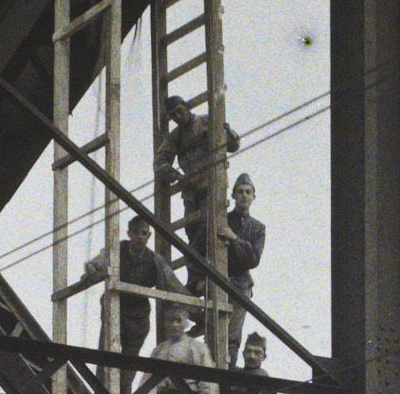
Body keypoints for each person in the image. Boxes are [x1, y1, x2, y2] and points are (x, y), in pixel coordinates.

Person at [155, 95, 240, 320]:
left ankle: (207, 279)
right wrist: (174, 174)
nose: (177, 116)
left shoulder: (206, 122)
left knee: (208, 233)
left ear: (186, 107)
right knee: (193, 235)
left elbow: (234, 145)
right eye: (172, 114)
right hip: (192, 192)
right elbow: (160, 162)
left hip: (212, 188)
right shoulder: (175, 137)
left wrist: (224, 130)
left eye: (179, 110)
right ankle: (196, 282)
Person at [77, 214, 183, 364]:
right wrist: (91, 268)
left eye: (144, 233)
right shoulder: (117, 250)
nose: (140, 237)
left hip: (138, 317)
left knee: (129, 365)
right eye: (136, 232)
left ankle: (124, 387)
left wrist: (196, 309)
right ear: (129, 233)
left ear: (149, 236)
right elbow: (98, 262)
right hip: (115, 309)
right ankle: (102, 386)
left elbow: (173, 284)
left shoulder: (154, 259)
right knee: (106, 358)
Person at [223, 174, 267, 364]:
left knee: (232, 338)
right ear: (233, 195)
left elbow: (253, 260)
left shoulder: (257, 228)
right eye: (240, 192)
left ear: (253, 197)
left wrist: (234, 239)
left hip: (240, 286)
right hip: (218, 280)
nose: (244, 196)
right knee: (214, 334)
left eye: (248, 192)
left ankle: (228, 379)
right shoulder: (222, 220)